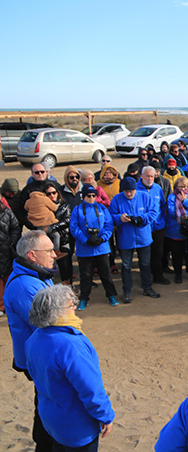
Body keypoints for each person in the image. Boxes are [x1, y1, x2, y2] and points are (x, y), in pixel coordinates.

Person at [25, 285, 115, 451]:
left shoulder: (34, 338)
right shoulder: (70, 345)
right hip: (76, 426)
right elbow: (90, 388)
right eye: (71, 304)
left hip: (50, 418)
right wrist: (105, 415)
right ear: (57, 311)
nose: (75, 307)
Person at [3, 230, 57, 450]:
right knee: (47, 410)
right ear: (32, 256)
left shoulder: (38, 275)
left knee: (49, 406)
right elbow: (48, 325)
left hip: (44, 355)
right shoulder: (25, 286)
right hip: (41, 359)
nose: (55, 254)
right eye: (50, 250)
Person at [109, 177, 160, 301]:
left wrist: (142, 219)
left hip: (144, 238)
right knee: (126, 266)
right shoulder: (117, 199)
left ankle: (147, 287)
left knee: (145, 264)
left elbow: (154, 212)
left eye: (131, 191)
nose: (129, 193)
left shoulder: (144, 196)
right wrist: (119, 219)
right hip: (126, 239)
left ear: (135, 189)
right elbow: (110, 217)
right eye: (126, 191)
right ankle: (127, 291)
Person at [70, 184, 119, 308]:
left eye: (93, 196)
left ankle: (111, 295)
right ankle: (84, 298)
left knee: (106, 273)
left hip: (101, 247)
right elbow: (74, 227)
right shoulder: (77, 210)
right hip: (84, 249)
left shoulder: (102, 208)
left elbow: (108, 224)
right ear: (83, 196)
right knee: (86, 275)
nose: (91, 198)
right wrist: (85, 240)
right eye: (88, 196)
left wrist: (102, 238)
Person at [137, 166, 170, 286]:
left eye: (152, 176)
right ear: (141, 176)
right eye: (147, 176)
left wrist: (163, 220)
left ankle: (158, 275)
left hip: (158, 226)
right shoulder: (136, 189)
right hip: (144, 227)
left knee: (158, 252)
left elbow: (162, 205)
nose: (150, 178)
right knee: (145, 254)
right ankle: (146, 278)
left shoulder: (157, 188)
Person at [165, 177, 188, 284]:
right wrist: (187, 213)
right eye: (180, 186)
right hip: (174, 231)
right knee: (177, 255)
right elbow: (171, 212)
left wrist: (184, 201)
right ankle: (178, 274)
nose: (182, 189)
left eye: (185, 186)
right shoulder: (171, 197)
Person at [0, 197, 20, 317]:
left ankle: (9, 305)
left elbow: (15, 227)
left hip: (6, 251)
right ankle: (1, 306)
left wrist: (11, 242)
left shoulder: (6, 212)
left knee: (8, 278)